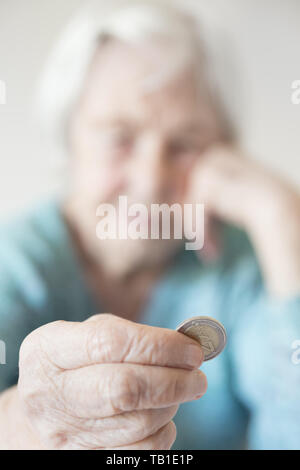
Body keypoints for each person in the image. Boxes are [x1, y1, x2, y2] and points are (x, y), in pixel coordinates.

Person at [0, 0, 300, 450]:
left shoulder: (240, 266)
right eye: (119, 138)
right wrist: (21, 424)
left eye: (184, 144)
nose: (150, 180)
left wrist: (282, 218)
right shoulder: (15, 260)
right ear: (68, 141)